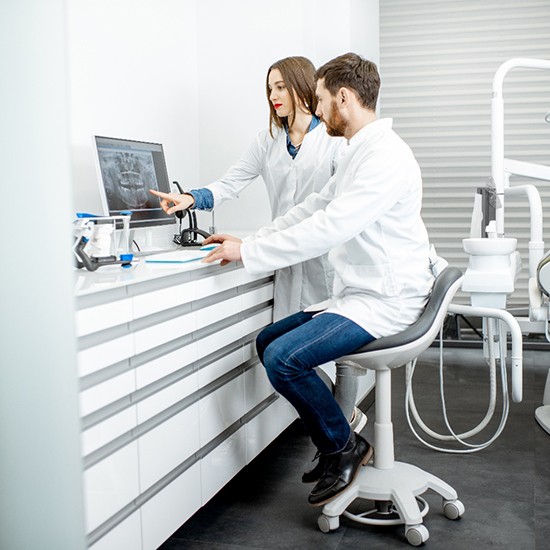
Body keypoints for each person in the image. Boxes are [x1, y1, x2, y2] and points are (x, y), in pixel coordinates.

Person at [200, 52, 434, 507]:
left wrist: (248, 252)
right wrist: (252, 238)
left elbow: (330, 228)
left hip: (386, 299)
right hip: (359, 293)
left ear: (343, 98)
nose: (318, 108)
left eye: (323, 99)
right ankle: (340, 438)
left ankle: (342, 446)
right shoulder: (355, 151)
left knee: (285, 360)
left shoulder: (384, 157)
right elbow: (311, 210)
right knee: (269, 341)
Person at [150, 56, 343, 321]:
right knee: (284, 343)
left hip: (324, 261)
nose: (273, 95)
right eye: (270, 89)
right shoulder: (268, 141)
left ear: (301, 86)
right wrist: (190, 198)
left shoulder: (333, 140)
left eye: (280, 87)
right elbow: (231, 182)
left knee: (328, 355)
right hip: (283, 259)